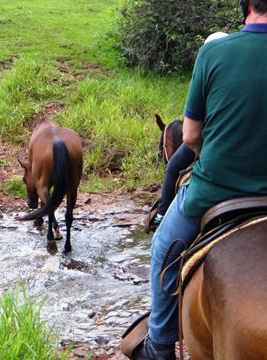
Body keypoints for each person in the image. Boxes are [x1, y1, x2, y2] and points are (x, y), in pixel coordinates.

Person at [134, 0, 267, 358]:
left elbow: (191, 135)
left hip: (216, 193)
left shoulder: (215, 52)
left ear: (248, 5)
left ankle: (159, 345)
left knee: (164, 243)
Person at [148, 32, 227, 231]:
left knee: (173, 167)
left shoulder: (206, 72)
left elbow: (191, 133)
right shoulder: (239, 71)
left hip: (209, 141)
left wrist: (202, 152)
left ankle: (161, 214)